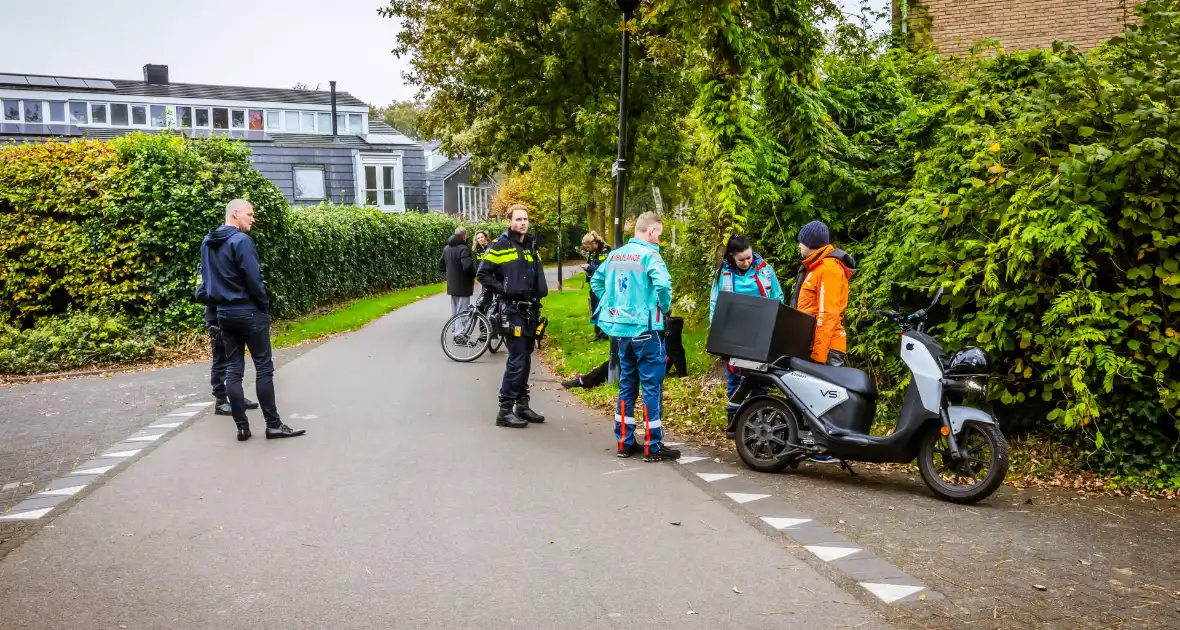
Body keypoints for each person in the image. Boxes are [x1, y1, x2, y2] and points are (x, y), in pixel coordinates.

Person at [200, 199, 305, 442]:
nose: (252, 219)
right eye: (249, 214)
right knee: (263, 368)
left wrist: (214, 309)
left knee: (234, 370)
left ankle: (242, 428)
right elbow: (253, 278)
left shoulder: (207, 242)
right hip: (248, 311)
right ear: (235, 214)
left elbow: (206, 280)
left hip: (224, 313)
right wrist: (264, 305)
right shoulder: (241, 241)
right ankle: (273, 425)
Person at [590, 212, 680, 462]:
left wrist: (613, 304)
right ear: (651, 232)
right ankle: (653, 445)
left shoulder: (615, 255)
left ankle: (624, 442)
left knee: (627, 384)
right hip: (646, 329)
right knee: (652, 386)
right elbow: (662, 286)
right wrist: (664, 307)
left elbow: (597, 282)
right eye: (659, 235)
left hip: (621, 330)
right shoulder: (650, 255)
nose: (659, 240)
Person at [477, 205, 549, 429]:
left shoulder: (530, 246)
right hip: (511, 310)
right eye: (518, 219)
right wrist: (504, 289)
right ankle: (505, 409)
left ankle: (522, 404)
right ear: (509, 221)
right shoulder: (500, 245)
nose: (523, 223)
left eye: (526, 219)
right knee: (517, 359)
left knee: (526, 358)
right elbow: (483, 274)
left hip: (530, 310)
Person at [709, 235, 786, 401]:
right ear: (732, 257)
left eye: (749, 257)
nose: (746, 262)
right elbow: (715, 303)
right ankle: (735, 416)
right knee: (735, 377)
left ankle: (756, 416)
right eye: (741, 260)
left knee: (760, 377)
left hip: (760, 333)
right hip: (734, 333)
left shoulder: (765, 270)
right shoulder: (724, 273)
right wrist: (715, 332)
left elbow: (778, 297)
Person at [789, 221, 856, 367]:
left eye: (801, 242)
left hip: (826, 350)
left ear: (810, 243)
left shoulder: (828, 269)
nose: (799, 245)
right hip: (814, 345)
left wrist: (818, 356)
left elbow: (828, 314)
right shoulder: (816, 267)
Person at [194, 274, 258, 416]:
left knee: (235, 360)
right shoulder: (208, 266)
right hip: (216, 321)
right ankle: (221, 401)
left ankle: (236, 397)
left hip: (232, 317)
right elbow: (200, 293)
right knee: (220, 360)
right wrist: (224, 297)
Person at [439, 226, 477, 331]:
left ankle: (455, 328)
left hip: (452, 284)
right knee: (463, 310)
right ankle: (459, 334)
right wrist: (474, 274)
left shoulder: (446, 248)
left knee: (455, 309)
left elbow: (441, 265)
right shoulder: (463, 249)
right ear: (463, 236)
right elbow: (467, 266)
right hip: (463, 284)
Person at [580, 231, 611, 341]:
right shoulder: (593, 252)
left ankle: (604, 334)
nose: (587, 250)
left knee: (601, 309)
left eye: (588, 247)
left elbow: (605, 268)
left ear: (593, 243)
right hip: (594, 284)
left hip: (603, 285)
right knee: (595, 309)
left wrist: (589, 267)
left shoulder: (605, 250)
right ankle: (598, 334)